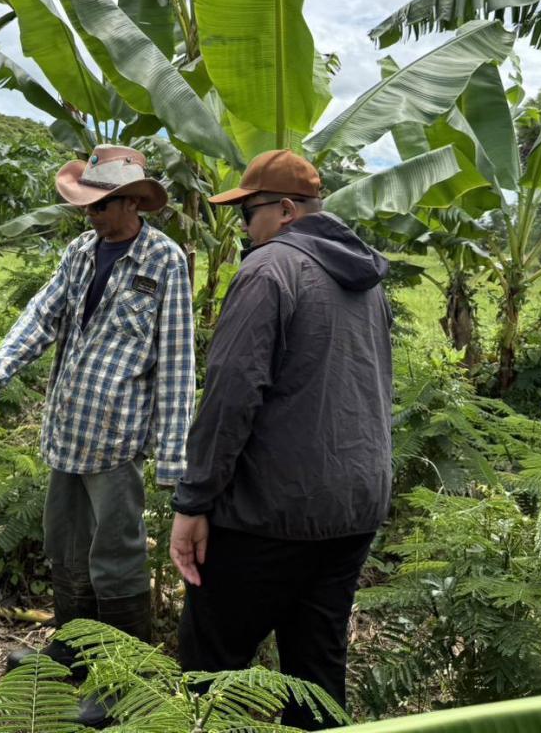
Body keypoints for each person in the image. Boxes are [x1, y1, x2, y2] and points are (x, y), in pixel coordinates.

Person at [0, 144, 194, 687]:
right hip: (67, 432)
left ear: (132, 203)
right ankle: (72, 654)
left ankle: (122, 679)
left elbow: (176, 362)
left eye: (100, 206)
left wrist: (174, 463)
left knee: (116, 559)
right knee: (67, 550)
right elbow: (38, 319)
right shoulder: (81, 252)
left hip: (116, 440)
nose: (90, 215)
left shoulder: (164, 261)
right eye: (87, 206)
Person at [169, 149, 393, 731]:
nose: (244, 228)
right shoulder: (366, 279)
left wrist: (193, 502)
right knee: (315, 677)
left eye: (248, 214)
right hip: (354, 508)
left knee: (210, 671)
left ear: (287, 211)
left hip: (272, 511)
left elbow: (230, 397)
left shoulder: (270, 269)